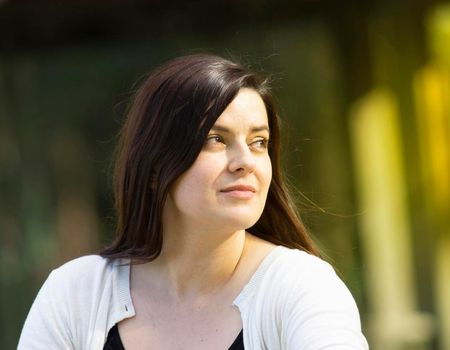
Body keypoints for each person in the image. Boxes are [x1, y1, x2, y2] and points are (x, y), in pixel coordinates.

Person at [18, 53, 368, 349]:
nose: (245, 160)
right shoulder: (74, 293)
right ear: (155, 165)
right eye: (216, 138)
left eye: (259, 142)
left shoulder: (301, 286)